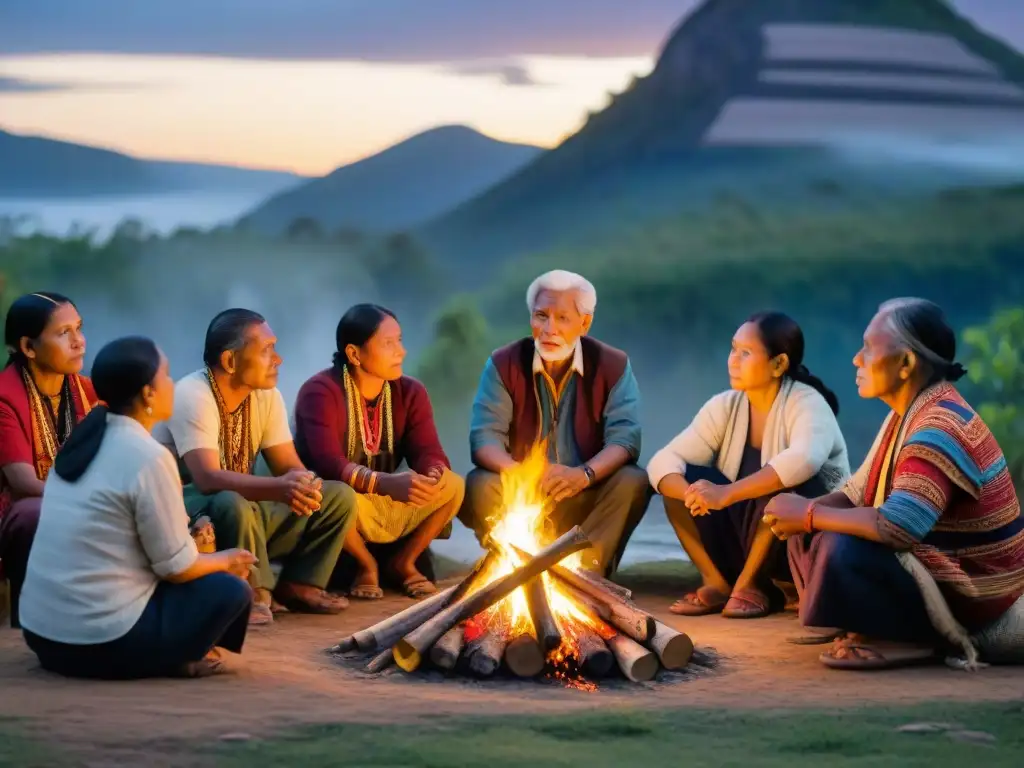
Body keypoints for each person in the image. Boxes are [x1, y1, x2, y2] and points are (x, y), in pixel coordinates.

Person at [766, 298, 1024, 669]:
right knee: (815, 526)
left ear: (905, 363)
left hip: (976, 598)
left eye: (869, 349)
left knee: (838, 541)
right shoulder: (906, 415)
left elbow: (898, 527)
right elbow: (857, 493)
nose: (857, 359)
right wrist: (799, 514)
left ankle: (907, 640)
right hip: (936, 574)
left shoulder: (938, 427)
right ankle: (868, 626)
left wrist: (807, 514)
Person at [19, 336, 255, 679]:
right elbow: (177, 567)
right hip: (102, 643)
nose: (172, 385)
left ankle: (177, 648)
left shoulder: (83, 441)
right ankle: (174, 657)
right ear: (148, 393)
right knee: (230, 589)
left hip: (43, 636)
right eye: (167, 376)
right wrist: (228, 560)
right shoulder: (149, 456)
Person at [153, 309, 357, 625]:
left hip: (244, 512)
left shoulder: (267, 395)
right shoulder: (193, 394)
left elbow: (287, 465)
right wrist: (281, 488)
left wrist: (305, 484)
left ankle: (300, 584)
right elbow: (207, 479)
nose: (278, 359)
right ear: (230, 361)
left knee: (337, 496)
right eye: (266, 350)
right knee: (231, 501)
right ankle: (255, 591)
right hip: (190, 510)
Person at [647, 312, 850, 618]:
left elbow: (803, 461)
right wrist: (693, 492)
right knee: (680, 483)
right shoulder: (725, 405)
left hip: (796, 542)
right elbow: (662, 461)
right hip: (744, 537)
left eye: (746, 353)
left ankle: (751, 585)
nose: (733, 360)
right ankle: (717, 583)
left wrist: (726, 494)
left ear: (779, 364)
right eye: (732, 349)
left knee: (783, 486)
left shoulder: (807, 403)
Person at [459, 270, 650, 575]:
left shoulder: (613, 365)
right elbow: (484, 438)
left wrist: (584, 474)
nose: (549, 329)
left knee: (633, 481)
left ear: (584, 323)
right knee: (480, 483)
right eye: (541, 316)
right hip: (523, 490)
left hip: (586, 492)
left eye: (562, 318)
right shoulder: (503, 363)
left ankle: (587, 573)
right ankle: (515, 565)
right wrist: (522, 473)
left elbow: (625, 440)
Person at [295, 304, 465, 599]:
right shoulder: (319, 392)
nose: (401, 351)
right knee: (331, 495)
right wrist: (383, 483)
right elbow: (326, 463)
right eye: (389, 343)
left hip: (386, 500)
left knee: (453, 484)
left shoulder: (410, 392)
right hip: (342, 508)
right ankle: (366, 564)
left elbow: (427, 450)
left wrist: (432, 472)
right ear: (354, 354)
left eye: (399, 341)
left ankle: (404, 562)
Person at [0, 292, 97, 628]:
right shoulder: (4, 399)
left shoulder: (88, 392)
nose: (79, 342)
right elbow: (23, 484)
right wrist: (90, 500)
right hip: (15, 511)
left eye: (79, 328)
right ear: (28, 347)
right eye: (63, 333)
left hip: (72, 499)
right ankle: (31, 620)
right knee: (36, 512)